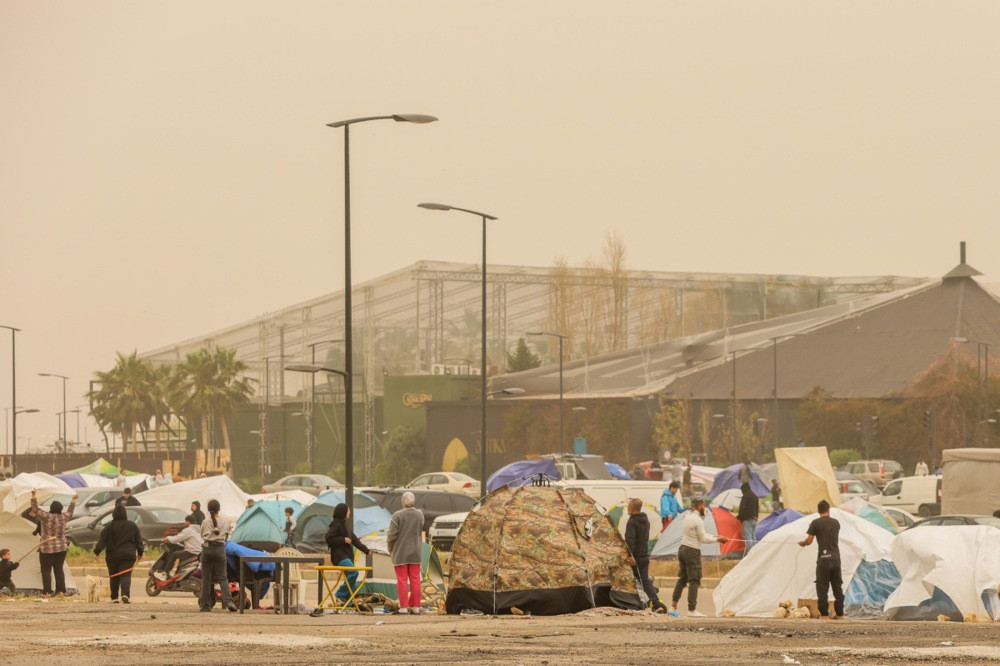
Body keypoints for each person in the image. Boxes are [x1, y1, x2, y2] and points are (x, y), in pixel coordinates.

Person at [670, 497, 727, 618]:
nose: (705, 508)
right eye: (704, 505)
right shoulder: (698, 520)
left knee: (682, 579)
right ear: (699, 506)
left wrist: (716, 536)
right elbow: (703, 539)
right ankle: (692, 610)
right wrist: (719, 539)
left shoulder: (687, 516)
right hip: (692, 551)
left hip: (683, 549)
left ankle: (673, 606)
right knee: (694, 580)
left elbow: (701, 534)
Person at [798, 500, 844, 620]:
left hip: (823, 560)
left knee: (822, 587)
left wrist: (803, 543)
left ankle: (824, 614)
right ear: (828, 510)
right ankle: (840, 614)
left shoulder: (815, 523)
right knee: (837, 587)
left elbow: (809, 540)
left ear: (818, 511)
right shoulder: (836, 523)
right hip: (836, 559)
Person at [93, 504, 144, 603]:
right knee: (126, 575)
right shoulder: (132, 525)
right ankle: (125, 595)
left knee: (114, 576)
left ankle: (114, 597)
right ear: (125, 514)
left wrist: (97, 552)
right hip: (128, 555)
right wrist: (140, 553)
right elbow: (139, 541)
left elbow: (102, 542)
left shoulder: (108, 527)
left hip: (113, 556)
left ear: (113, 515)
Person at [29, 489, 76, 597]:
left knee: (46, 570)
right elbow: (70, 511)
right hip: (61, 548)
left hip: (47, 547)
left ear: (51, 508)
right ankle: (60, 591)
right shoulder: (64, 517)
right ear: (60, 509)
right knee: (59, 569)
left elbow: (35, 509)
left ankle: (47, 592)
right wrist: (73, 500)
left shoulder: (46, 516)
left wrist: (33, 495)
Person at [625, 498, 666, 613]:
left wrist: (629, 555)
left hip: (635, 557)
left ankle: (640, 603)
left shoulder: (632, 521)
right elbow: (646, 538)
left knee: (630, 581)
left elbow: (630, 540)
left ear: (633, 507)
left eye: (629, 506)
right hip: (644, 555)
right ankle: (656, 603)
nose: (628, 507)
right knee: (645, 581)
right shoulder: (646, 520)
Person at [326, 503, 371, 606]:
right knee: (353, 572)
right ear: (343, 512)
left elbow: (354, 540)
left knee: (352, 579)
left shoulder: (345, 524)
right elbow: (328, 538)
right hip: (340, 557)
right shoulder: (336, 524)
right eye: (348, 510)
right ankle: (340, 594)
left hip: (347, 557)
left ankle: (347, 603)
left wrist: (367, 550)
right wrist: (342, 539)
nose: (350, 512)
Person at [386, 491, 424, 614]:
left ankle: (403, 607)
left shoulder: (397, 516)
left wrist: (390, 548)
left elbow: (391, 536)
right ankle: (416, 607)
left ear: (402, 501)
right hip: (416, 552)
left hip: (400, 553)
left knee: (402, 580)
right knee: (415, 579)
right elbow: (420, 528)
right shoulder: (420, 514)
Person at [199, 499, 237, 612]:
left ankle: (205, 605)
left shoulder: (205, 522)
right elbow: (226, 537)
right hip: (220, 549)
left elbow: (202, 535)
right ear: (219, 509)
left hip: (207, 549)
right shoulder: (224, 522)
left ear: (208, 509)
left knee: (206, 578)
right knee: (222, 578)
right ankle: (229, 601)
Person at [158, 514, 203, 579]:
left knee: (174, 554)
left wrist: (167, 538)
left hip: (193, 552)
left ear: (188, 522)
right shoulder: (199, 530)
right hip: (200, 553)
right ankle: (177, 575)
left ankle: (165, 572)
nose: (185, 523)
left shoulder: (188, 530)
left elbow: (176, 539)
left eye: (185, 521)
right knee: (181, 559)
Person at [736, 481, 759, 553]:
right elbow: (757, 508)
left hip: (747, 519)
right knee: (753, 536)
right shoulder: (755, 495)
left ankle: (750, 553)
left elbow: (742, 508)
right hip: (754, 519)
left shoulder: (746, 496)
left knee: (748, 537)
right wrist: (756, 517)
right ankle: (755, 552)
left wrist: (740, 517)